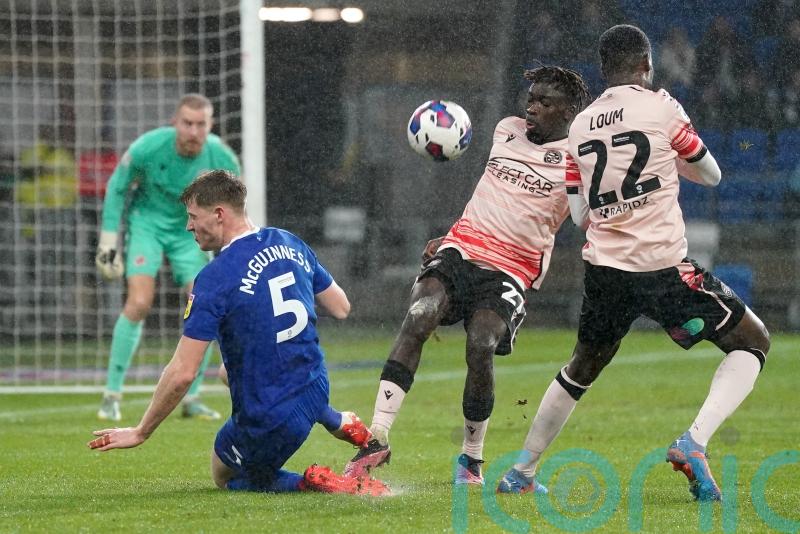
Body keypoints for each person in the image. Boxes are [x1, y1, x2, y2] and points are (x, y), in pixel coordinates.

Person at [498, 25, 770, 502]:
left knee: (581, 368)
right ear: (647, 64)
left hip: (605, 271)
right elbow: (712, 174)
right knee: (753, 341)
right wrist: (670, 164)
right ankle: (693, 442)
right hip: (662, 268)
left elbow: (579, 215)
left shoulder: (581, 125)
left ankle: (521, 472)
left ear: (604, 69)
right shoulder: (661, 107)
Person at [344, 66, 591, 488]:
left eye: (544, 102)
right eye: (530, 99)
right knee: (419, 316)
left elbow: (581, 215)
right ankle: (377, 438)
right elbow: (494, 193)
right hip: (462, 249)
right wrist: (450, 235)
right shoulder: (506, 130)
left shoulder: (579, 158)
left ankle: (471, 459)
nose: (531, 108)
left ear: (568, 111)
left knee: (481, 344)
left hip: (512, 269)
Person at [88, 170, 389, 496]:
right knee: (226, 371)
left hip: (272, 418)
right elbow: (341, 307)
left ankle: (316, 482)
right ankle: (340, 422)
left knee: (225, 474)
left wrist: (142, 431)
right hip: (316, 387)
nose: (188, 226)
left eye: (193, 216)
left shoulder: (215, 278)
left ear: (219, 214)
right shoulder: (290, 241)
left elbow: (183, 373)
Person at [95, 94, 240, 422]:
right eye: (187, 123)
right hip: (146, 224)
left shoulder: (222, 158)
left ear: (210, 125)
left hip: (190, 232)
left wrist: (234, 250)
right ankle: (111, 395)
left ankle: (193, 397)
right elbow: (117, 186)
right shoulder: (149, 147)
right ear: (175, 122)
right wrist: (108, 240)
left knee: (206, 304)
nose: (193, 131)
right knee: (139, 302)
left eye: (201, 124)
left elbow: (235, 209)